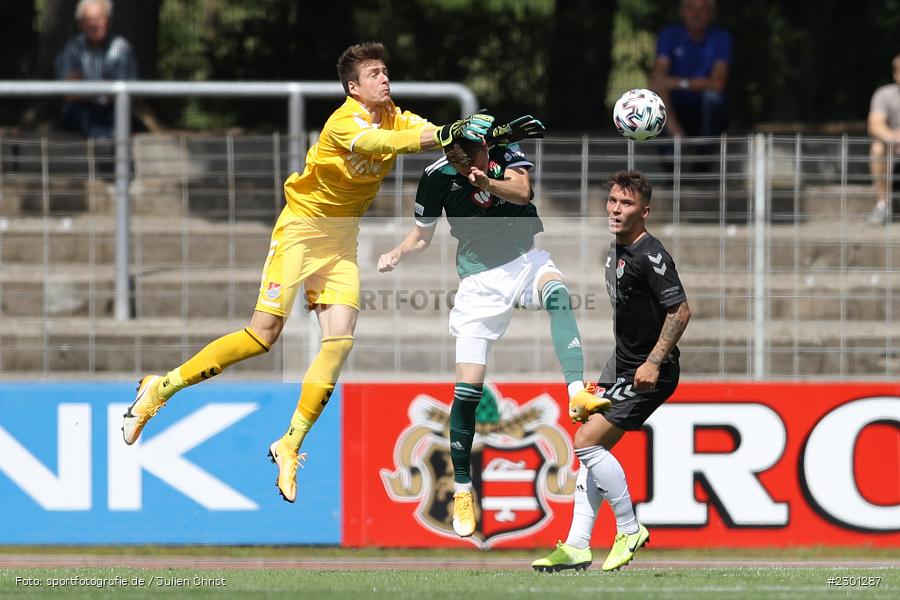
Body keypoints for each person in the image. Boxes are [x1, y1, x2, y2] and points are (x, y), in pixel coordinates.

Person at [121, 42, 495, 505]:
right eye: (374, 74)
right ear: (354, 87)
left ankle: (290, 442)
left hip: (340, 238)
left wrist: (476, 145)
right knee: (263, 335)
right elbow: (386, 144)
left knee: (339, 341)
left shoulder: (398, 115)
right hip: (302, 229)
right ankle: (162, 387)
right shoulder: (343, 123)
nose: (385, 79)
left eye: (386, 72)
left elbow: (432, 136)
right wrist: (444, 135)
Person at [377, 122, 610, 538]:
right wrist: (398, 251)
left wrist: (488, 180)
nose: (468, 167)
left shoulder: (503, 150)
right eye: (459, 162)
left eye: (475, 158)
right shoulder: (435, 178)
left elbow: (523, 192)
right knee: (468, 388)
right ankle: (463, 488)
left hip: (524, 260)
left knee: (558, 294)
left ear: (485, 147)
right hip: (479, 281)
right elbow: (422, 236)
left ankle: (576, 390)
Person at [532, 170, 691, 572]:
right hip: (622, 365)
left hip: (650, 370)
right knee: (589, 444)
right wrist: (609, 377)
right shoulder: (615, 250)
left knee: (586, 441)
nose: (616, 210)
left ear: (645, 212)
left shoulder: (650, 255)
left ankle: (629, 528)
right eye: (613, 202)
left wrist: (653, 361)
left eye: (627, 204)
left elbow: (681, 310)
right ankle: (577, 545)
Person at [54, 0, 137, 139]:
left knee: (119, 117)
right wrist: (106, 87)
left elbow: (124, 93)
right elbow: (69, 92)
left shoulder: (122, 48)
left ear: (108, 20)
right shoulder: (72, 48)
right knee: (78, 116)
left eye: (99, 18)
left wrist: (84, 87)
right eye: (88, 19)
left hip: (113, 111)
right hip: (81, 110)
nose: (94, 24)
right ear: (80, 24)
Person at [648, 0, 731, 138]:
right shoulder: (668, 35)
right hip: (674, 108)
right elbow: (656, 81)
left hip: (704, 110)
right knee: (655, 99)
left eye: (702, 10)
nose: (696, 15)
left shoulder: (721, 38)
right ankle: (669, 153)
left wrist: (679, 83)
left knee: (712, 98)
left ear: (710, 14)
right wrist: (673, 126)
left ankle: (706, 154)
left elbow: (717, 84)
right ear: (682, 12)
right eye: (691, 8)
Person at [867, 53, 900, 225]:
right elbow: (874, 125)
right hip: (893, 147)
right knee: (877, 148)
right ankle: (882, 205)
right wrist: (894, 138)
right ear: (896, 75)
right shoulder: (884, 94)